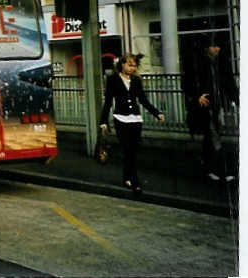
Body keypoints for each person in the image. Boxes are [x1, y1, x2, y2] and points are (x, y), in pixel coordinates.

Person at [99, 53, 165, 193]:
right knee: (128, 150)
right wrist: (103, 121)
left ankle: (127, 178)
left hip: (136, 119)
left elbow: (143, 100)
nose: (131, 68)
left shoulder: (136, 80)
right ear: (122, 64)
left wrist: (157, 113)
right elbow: (108, 102)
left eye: (134, 66)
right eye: (129, 65)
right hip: (121, 119)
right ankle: (134, 181)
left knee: (132, 151)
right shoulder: (112, 79)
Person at [181, 36, 237, 182]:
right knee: (214, 136)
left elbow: (229, 84)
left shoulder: (220, 63)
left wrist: (238, 99)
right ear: (206, 48)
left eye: (218, 46)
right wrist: (197, 96)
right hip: (204, 106)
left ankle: (209, 168)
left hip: (216, 106)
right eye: (214, 46)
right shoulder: (197, 63)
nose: (217, 49)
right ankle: (222, 170)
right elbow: (186, 83)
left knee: (211, 136)